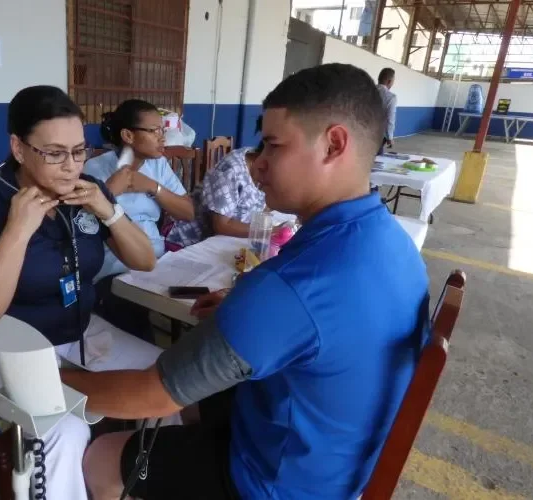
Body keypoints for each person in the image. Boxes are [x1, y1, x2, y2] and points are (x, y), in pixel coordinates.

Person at [61, 63, 432, 500]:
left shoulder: (289, 287)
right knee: (196, 401)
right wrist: (247, 316)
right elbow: (323, 327)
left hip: (279, 483)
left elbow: (152, 396)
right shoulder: (391, 239)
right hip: (337, 458)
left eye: (273, 146)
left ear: (334, 145)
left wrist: (54, 386)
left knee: (103, 454)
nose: (260, 165)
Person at [0, 85, 168, 500]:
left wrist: (109, 211)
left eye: (79, 151)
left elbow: (145, 261)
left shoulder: (88, 191)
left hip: (82, 330)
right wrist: (18, 230)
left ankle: (130, 484)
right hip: (4, 344)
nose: (70, 167)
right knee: (64, 427)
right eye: (53, 153)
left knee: (169, 380)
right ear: (18, 147)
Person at [84, 99, 195, 341]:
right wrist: (110, 190)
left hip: (159, 259)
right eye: (155, 130)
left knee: (203, 291)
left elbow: (187, 211)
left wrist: (152, 187)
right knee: (130, 314)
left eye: (163, 130)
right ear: (128, 135)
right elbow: (85, 223)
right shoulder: (95, 170)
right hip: (117, 267)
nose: (162, 137)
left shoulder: (157, 165)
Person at [165, 141, 265, 249]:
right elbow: (222, 226)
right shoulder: (231, 169)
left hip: (224, 242)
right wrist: (265, 231)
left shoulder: (264, 167)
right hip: (187, 240)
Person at [377, 67, 397, 155]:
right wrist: (390, 137)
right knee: (376, 161)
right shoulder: (390, 97)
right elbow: (390, 119)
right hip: (378, 135)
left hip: (359, 133)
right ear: (389, 81)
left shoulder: (366, 91)